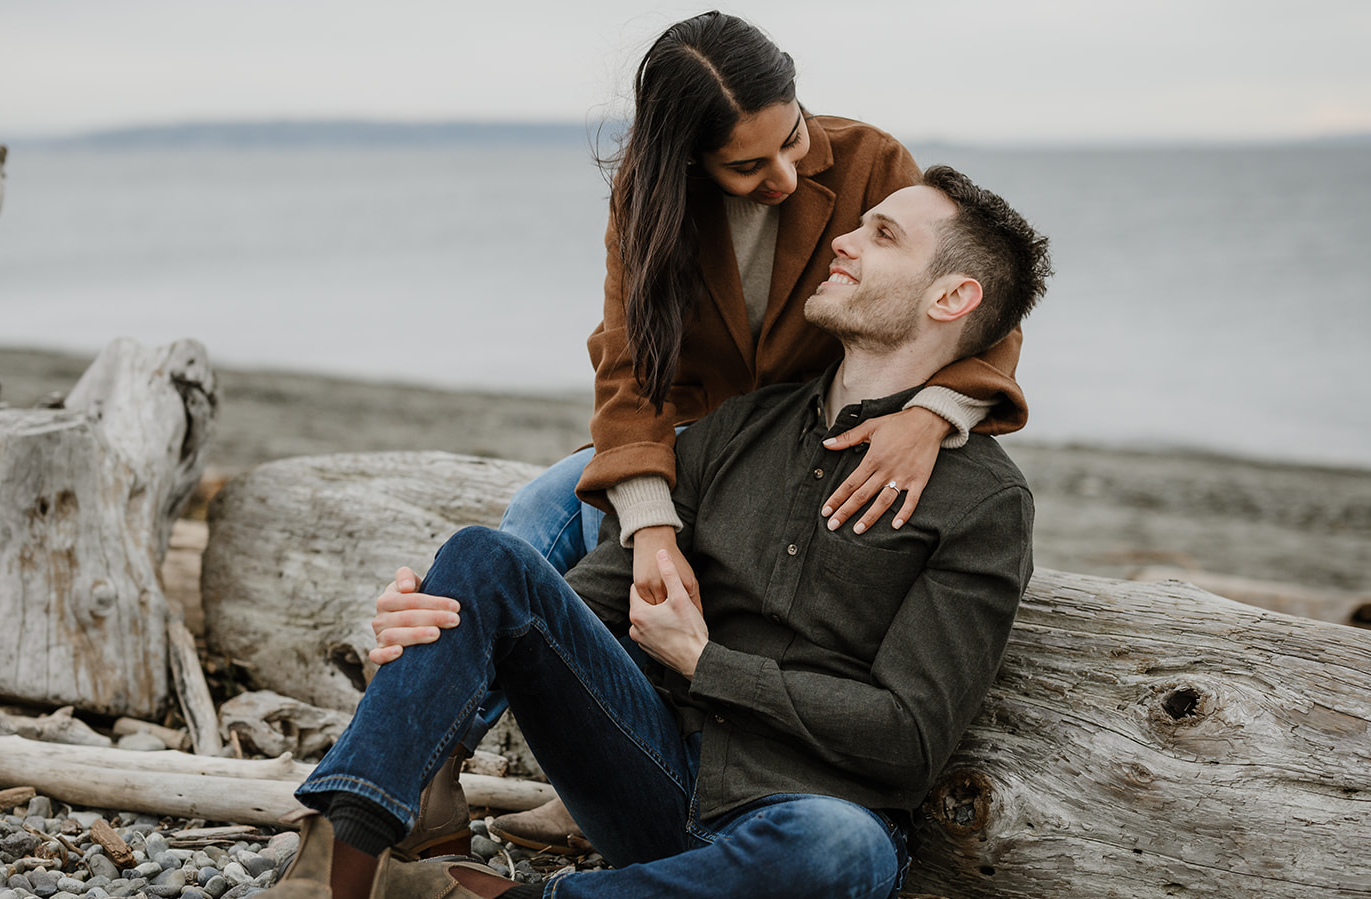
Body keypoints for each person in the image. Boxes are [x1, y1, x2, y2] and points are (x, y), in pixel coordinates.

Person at [160, 165, 1052, 899]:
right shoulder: (737, 430)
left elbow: (908, 736)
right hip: (649, 773)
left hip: (803, 819)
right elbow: (575, 607)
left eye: (883, 235)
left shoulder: (983, 503)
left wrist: (710, 664)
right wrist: (451, 616)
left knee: (843, 855)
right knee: (481, 556)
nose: (844, 241)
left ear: (953, 297)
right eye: (856, 225)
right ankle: (333, 893)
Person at [441, 10, 1032, 854]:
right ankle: (439, 762)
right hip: (706, 445)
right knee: (542, 511)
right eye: (748, 165)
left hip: (828, 444)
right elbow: (629, 364)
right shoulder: (650, 202)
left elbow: (981, 306)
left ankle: (623, 774)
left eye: (792, 139)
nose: (786, 175)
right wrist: (648, 525)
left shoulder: (872, 162)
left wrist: (932, 415)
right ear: (689, 158)